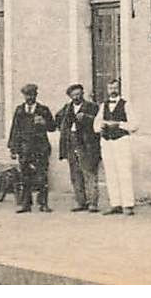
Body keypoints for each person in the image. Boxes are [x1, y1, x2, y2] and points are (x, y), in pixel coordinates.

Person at [7, 82, 55, 213]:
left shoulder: (43, 110)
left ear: (36, 95)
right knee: (25, 176)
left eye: (32, 95)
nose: (29, 98)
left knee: (42, 176)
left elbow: (52, 127)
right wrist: (13, 149)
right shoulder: (19, 110)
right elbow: (14, 130)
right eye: (26, 95)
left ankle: (43, 203)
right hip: (25, 148)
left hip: (41, 148)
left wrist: (44, 122)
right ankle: (26, 204)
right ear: (24, 96)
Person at [55, 83, 102, 213]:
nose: (77, 97)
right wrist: (64, 130)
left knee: (89, 172)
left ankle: (93, 203)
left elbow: (99, 122)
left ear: (83, 94)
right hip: (71, 142)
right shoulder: (67, 108)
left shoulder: (92, 107)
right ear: (70, 96)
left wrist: (87, 118)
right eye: (74, 95)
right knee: (75, 174)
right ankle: (80, 202)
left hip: (86, 144)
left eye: (79, 94)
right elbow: (57, 118)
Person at [96, 79, 137, 215]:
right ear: (107, 90)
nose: (112, 90)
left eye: (115, 88)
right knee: (110, 173)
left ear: (119, 88)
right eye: (110, 88)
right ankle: (115, 204)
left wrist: (118, 124)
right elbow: (96, 124)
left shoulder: (126, 104)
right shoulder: (104, 105)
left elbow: (135, 125)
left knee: (124, 171)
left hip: (121, 141)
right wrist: (100, 126)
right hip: (107, 141)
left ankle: (128, 204)